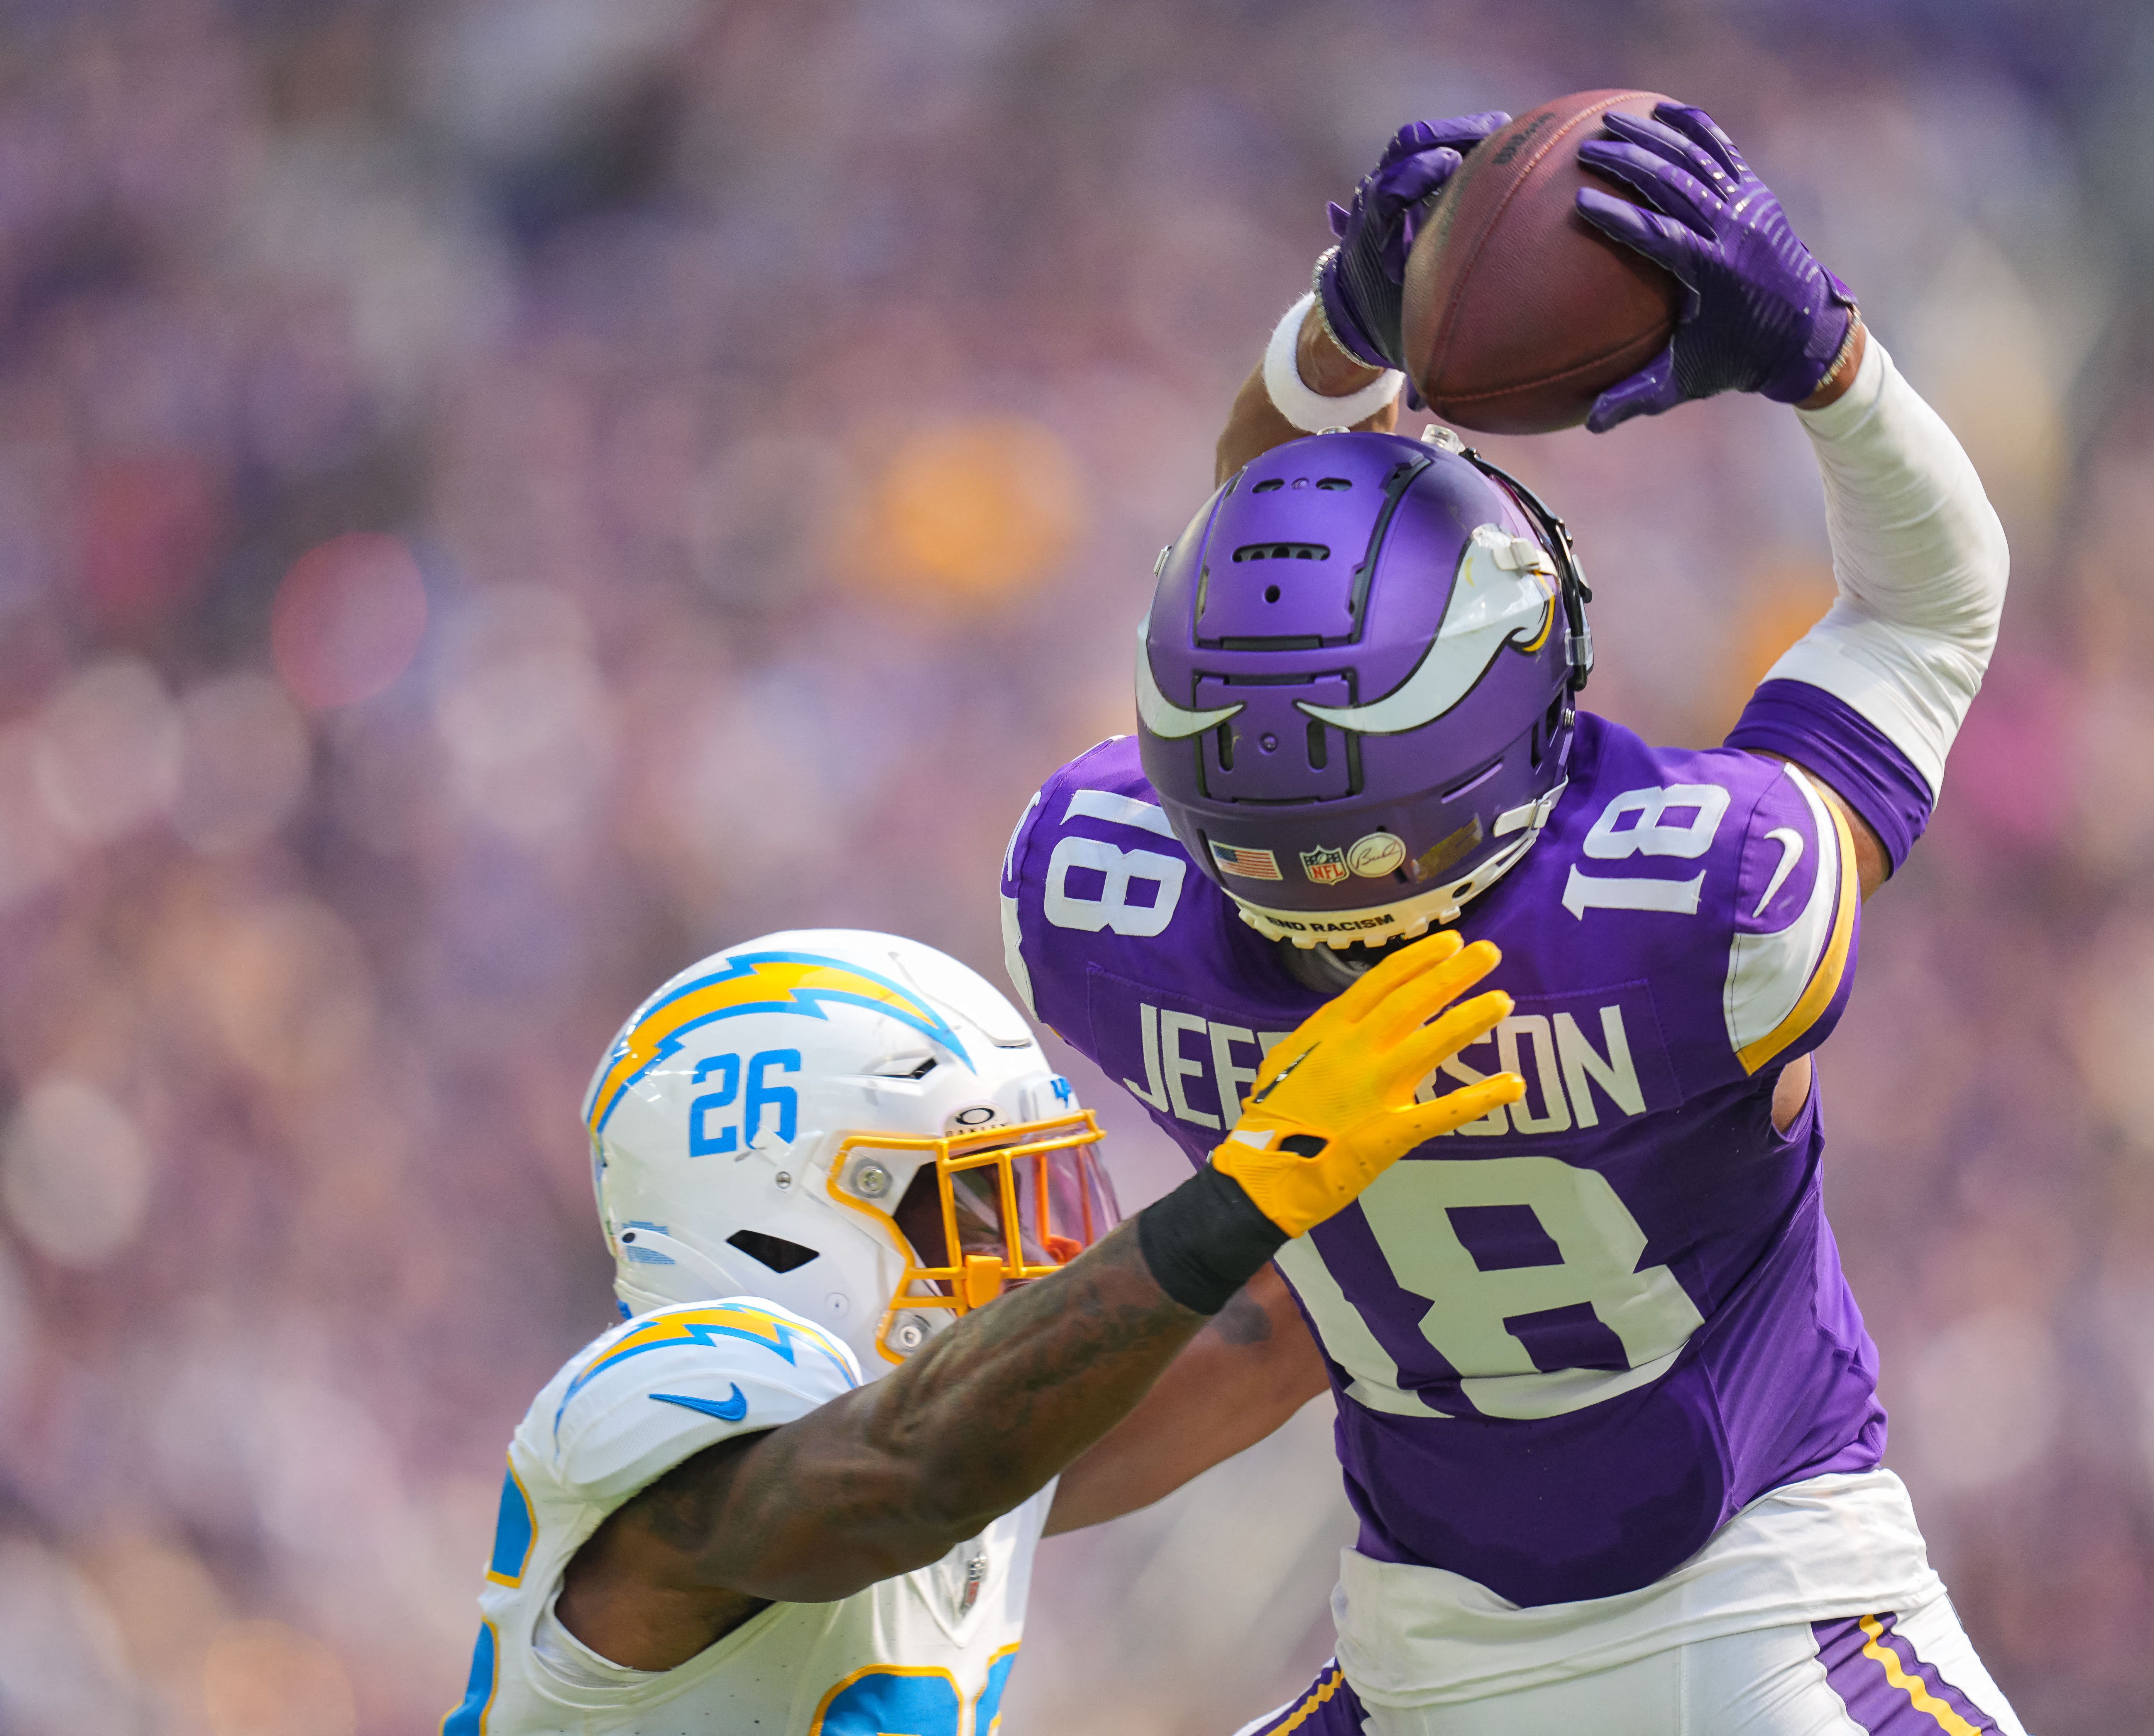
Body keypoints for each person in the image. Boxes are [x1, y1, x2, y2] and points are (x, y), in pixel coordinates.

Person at [999, 102, 2025, 1734]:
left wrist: (1336, 327)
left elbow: (1268, 567)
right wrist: (1826, 359)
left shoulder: (1088, 897)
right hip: (1758, 1644)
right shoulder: (1703, 910)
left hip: (1414, 1667)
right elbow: (1924, 611)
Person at [440, 925, 1523, 1734]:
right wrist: (1242, 1194)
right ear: (781, 1209)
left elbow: (1276, 1334)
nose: (1043, 1253)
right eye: (977, 1202)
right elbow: (908, 1476)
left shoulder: (964, 1434)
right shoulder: (662, 1399)